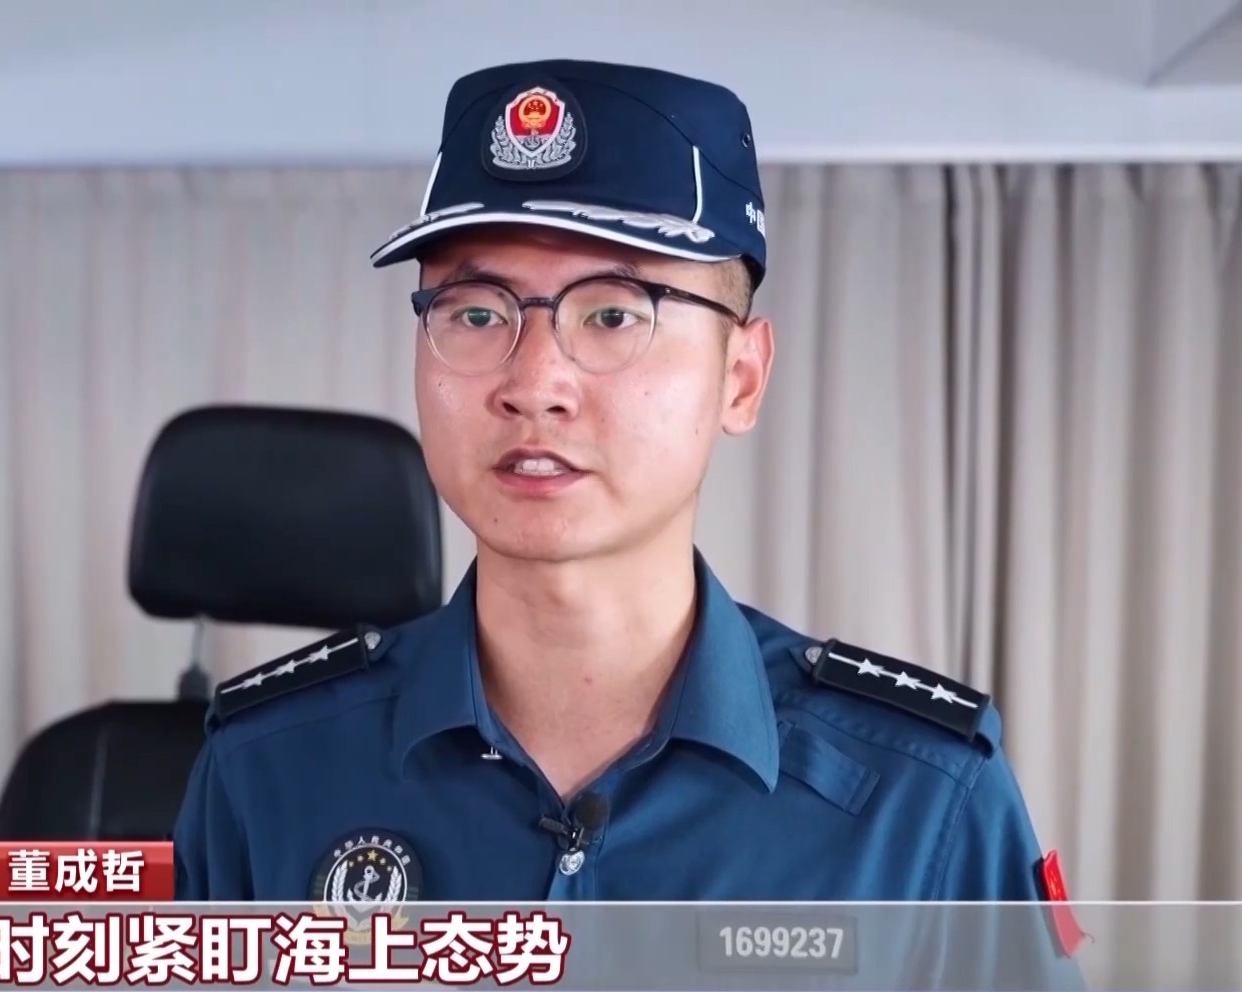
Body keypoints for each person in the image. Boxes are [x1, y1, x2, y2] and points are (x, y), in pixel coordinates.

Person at [173, 59, 1084, 985]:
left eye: (613, 314)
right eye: (476, 312)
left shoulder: (919, 803)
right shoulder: (266, 774)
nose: (534, 384)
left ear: (741, 378)